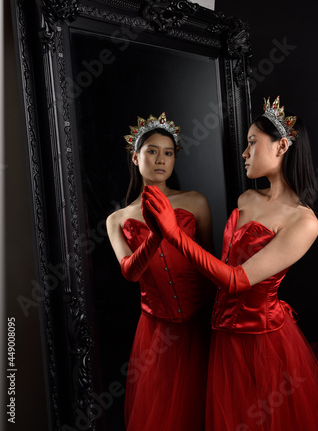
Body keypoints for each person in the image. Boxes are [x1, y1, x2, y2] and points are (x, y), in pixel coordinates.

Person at [142, 98, 318, 430]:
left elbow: (236, 280)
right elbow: (219, 266)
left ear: (282, 146)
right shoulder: (247, 198)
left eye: (252, 143)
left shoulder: (304, 222)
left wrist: (174, 234)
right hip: (222, 335)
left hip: (263, 341)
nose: (244, 153)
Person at [106, 112, 215, 431]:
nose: (161, 159)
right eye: (152, 151)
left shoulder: (195, 201)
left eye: (168, 152)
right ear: (135, 156)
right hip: (157, 332)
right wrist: (156, 233)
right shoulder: (118, 219)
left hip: (202, 322)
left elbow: (211, 263)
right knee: (167, 415)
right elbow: (130, 272)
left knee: (210, 404)